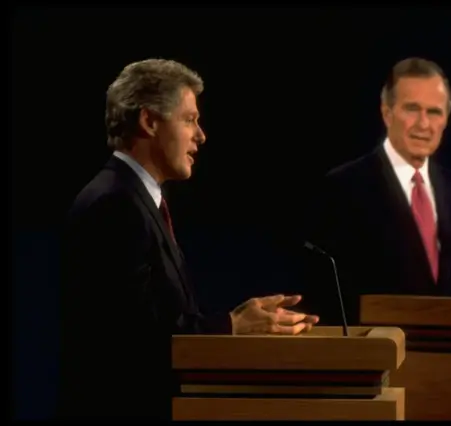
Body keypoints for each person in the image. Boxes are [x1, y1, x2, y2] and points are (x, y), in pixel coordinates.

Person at [57, 58, 319, 420]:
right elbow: (132, 339)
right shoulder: (114, 203)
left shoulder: (136, 198)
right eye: (189, 119)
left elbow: (157, 317)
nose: (201, 135)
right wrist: (232, 324)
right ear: (149, 121)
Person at [302, 57, 451, 325]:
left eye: (434, 112)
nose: (423, 124)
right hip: (379, 355)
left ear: (447, 119)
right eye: (412, 109)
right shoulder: (345, 187)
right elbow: (327, 296)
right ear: (387, 113)